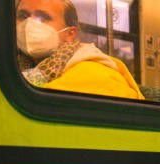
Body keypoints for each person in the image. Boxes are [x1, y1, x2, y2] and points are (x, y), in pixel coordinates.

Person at [15, 0, 143, 100]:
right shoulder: (15, 67)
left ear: (70, 34)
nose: (28, 24)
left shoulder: (95, 74)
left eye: (43, 18)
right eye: (23, 16)